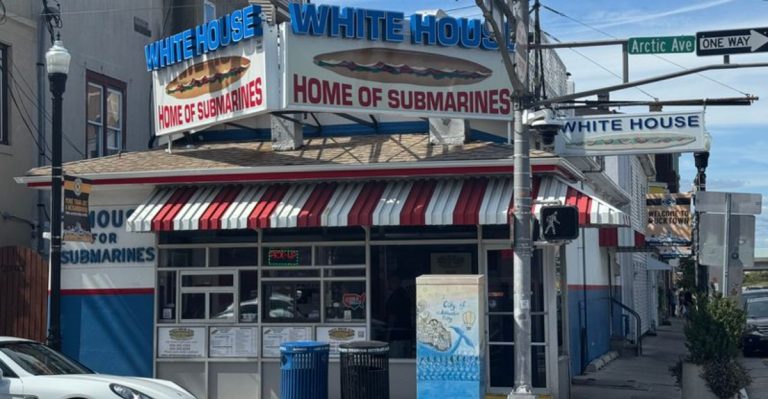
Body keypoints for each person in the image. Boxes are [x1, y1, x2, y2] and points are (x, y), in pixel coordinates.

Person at [385, 273, 413, 357]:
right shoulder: (405, 294)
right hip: (407, 335)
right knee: (406, 361)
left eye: (390, 282)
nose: (388, 284)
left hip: (397, 335)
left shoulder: (395, 297)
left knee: (395, 361)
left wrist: (388, 335)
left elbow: (392, 317)